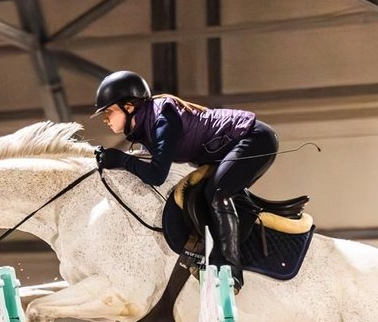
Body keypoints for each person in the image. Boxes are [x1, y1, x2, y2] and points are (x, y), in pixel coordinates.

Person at [93, 70, 278, 291]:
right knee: (206, 194)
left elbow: (156, 175)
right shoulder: (146, 129)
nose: (105, 119)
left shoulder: (163, 119)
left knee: (217, 193)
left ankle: (229, 270)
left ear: (129, 107)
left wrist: (119, 158)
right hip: (237, 146)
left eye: (109, 111)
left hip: (255, 138)